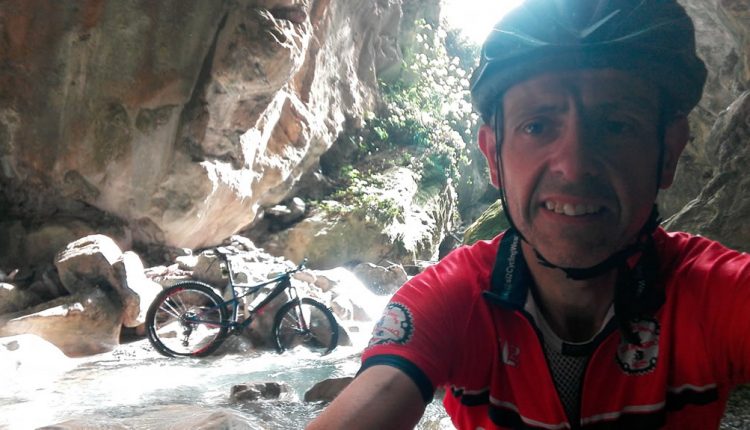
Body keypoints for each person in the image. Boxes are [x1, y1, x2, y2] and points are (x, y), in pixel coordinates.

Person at [308, 0, 750, 428]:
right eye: (536, 126)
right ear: (493, 158)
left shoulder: (716, 293)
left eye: (617, 125)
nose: (574, 165)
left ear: (668, 152)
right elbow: (384, 389)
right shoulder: (454, 299)